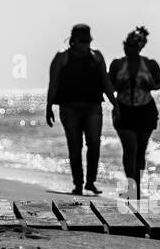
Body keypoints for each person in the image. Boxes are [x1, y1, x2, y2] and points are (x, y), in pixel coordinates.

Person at [46, 23, 115, 195]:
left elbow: (106, 82)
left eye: (88, 41)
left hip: (93, 107)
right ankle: (78, 183)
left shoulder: (97, 57)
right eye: (83, 41)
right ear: (74, 41)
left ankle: (90, 182)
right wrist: (48, 107)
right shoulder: (61, 58)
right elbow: (53, 83)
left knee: (94, 143)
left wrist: (116, 104)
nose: (86, 44)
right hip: (69, 108)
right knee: (75, 146)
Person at [109, 26, 160, 200]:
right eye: (126, 45)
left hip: (145, 110)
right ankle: (132, 188)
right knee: (130, 147)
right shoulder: (117, 64)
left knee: (140, 151)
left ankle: (137, 188)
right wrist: (118, 87)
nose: (128, 48)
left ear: (139, 47)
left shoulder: (150, 64)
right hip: (123, 109)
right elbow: (109, 85)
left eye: (132, 46)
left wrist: (151, 86)